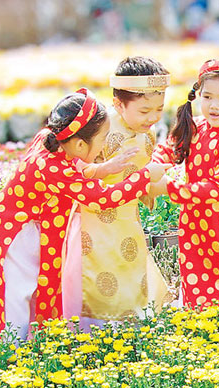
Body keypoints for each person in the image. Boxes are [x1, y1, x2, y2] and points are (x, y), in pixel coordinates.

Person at [0, 88, 170, 350]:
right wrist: (145, 176)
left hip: (28, 228)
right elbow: (102, 198)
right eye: (102, 140)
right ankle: (6, 355)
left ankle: (28, 353)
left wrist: (103, 168)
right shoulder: (51, 166)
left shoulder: (51, 140)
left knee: (31, 292)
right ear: (80, 144)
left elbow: (77, 173)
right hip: (15, 234)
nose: (104, 146)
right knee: (14, 297)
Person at [64, 57, 173, 327]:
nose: (153, 118)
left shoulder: (147, 133)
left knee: (130, 269)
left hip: (127, 217)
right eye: (145, 110)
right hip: (95, 218)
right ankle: (97, 331)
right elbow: (76, 166)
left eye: (159, 109)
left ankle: (128, 331)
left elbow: (143, 174)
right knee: (101, 273)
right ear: (118, 104)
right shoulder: (102, 130)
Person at [156, 59, 219, 309]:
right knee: (195, 273)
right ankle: (199, 321)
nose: (214, 106)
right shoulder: (196, 126)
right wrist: (155, 164)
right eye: (208, 96)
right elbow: (169, 148)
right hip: (194, 218)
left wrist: (169, 188)